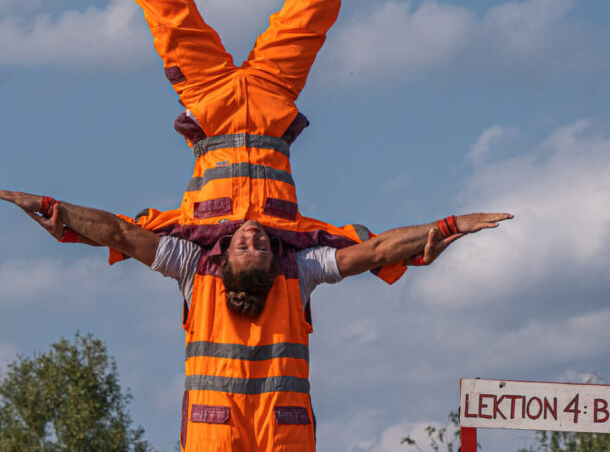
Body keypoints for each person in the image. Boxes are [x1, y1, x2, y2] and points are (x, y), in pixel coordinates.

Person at [63, 0, 414, 286]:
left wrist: (49, 214)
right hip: (273, 95)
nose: (253, 244)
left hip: (208, 97)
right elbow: (373, 248)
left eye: (243, 251)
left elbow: (111, 231)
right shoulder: (295, 238)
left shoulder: (187, 236)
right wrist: (429, 244)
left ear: (223, 257)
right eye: (260, 253)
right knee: (314, 1)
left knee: (163, 2)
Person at [0, 189, 511, 451]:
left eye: (255, 243)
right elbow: (374, 250)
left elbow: (116, 233)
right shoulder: (298, 270)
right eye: (252, 243)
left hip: (230, 433)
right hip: (263, 432)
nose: (253, 234)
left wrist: (53, 207)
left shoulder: (196, 269)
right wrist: (450, 224)